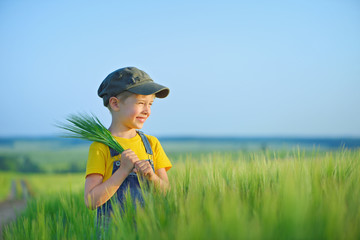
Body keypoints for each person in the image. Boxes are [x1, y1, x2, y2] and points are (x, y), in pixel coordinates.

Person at [84, 67, 172, 229]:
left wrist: (152, 177)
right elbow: (90, 201)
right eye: (141, 103)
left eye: (150, 104)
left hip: (149, 229)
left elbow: (167, 194)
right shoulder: (101, 147)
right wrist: (123, 171)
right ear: (115, 103)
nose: (147, 111)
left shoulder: (151, 145)